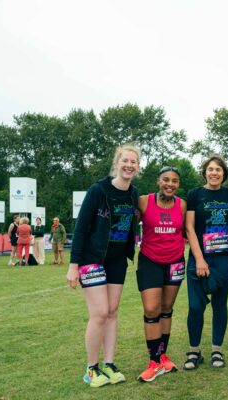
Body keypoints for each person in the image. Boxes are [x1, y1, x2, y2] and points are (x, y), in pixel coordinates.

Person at [65, 144, 140, 388]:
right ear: (117, 162)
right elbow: (81, 227)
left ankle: (109, 364)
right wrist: (73, 265)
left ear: (137, 167)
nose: (129, 165)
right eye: (125, 161)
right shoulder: (98, 190)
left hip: (117, 261)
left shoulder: (133, 194)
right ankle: (91, 368)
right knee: (99, 313)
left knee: (112, 312)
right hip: (92, 259)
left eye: (133, 162)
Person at [183, 155, 228, 371]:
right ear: (205, 172)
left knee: (219, 305)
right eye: (210, 169)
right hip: (199, 258)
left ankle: (217, 349)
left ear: (224, 173)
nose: (214, 173)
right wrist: (199, 259)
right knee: (196, 307)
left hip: (224, 259)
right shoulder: (194, 195)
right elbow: (189, 228)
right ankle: (194, 351)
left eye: (218, 169)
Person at [136, 166, 187, 382]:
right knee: (151, 309)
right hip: (150, 260)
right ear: (158, 181)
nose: (170, 184)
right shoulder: (143, 201)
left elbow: (187, 230)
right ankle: (153, 361)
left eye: (174, 181)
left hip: (175, 261)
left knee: (166, 309)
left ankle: (163, 355)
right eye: (166, 180)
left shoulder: (182, 204)